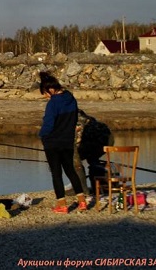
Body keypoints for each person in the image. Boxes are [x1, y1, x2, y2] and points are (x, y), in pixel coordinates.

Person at [38, 71, 87, 213]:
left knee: (56, 173)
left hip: (52, 142)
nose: (46, 97)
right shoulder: (71, 99)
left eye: (46, 94)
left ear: (50, 90)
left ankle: (62, 205)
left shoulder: (53, 104)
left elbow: (48, 124)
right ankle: (82, 202)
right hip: (67, 141)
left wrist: (41, 135)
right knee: (70, 171)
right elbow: (73, 120)